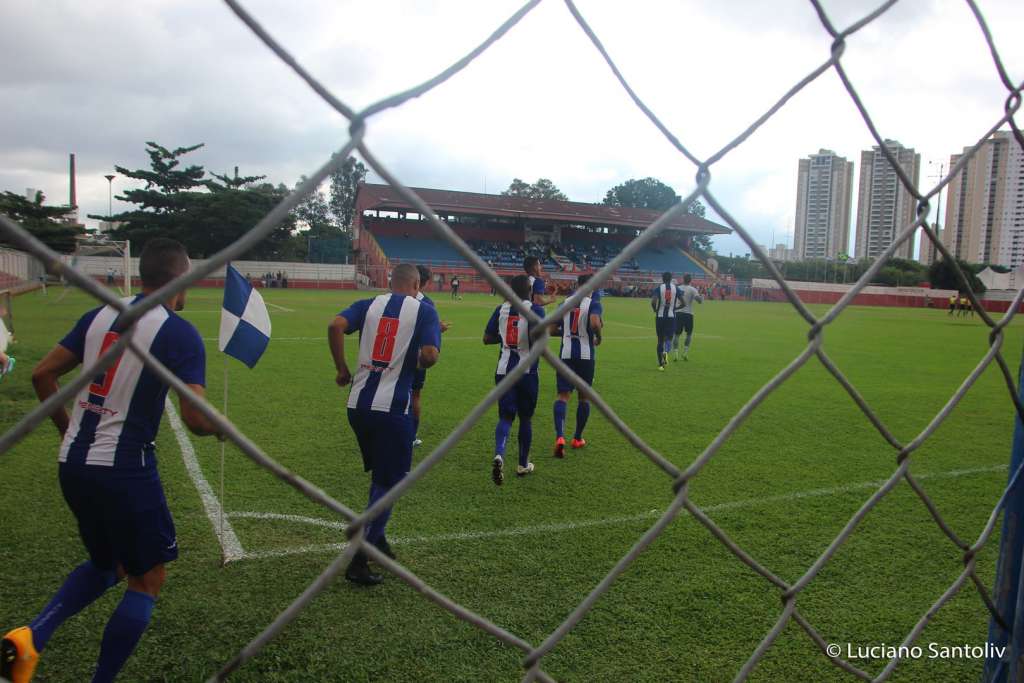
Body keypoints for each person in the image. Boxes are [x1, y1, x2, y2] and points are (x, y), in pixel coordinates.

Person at [1, 238, 222, 683]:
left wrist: (68, 429)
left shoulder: (100, 315)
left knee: (111, 564)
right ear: (181, 279)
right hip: (125, 470)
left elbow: (42, 374)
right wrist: (221, 426)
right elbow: (195, 419)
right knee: (148, 578)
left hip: (73, 463)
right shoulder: (178, 332)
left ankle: (29, 640)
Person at [328, 263, 441, 586]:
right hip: (392, 409)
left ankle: (377, 539)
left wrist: (341, 369)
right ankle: (359, 560)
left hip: (358, 406)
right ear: (417, 285)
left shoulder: (368, 304)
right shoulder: (424, 310)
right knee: (391, 483)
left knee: (382, 476)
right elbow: (430, 356)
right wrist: (419, 357)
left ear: (392, 282)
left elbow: (335, 326)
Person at [484, 275, 545, 485]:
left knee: (505, 416)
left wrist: (505, 339)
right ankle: (522, 464)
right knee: (525, 418)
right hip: (527, 372)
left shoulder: (501, 309)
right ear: (530, 290)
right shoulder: (536, 310)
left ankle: (499, 453)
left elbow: (487, 338)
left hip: (503, 370)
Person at [552, 274, 603, 458]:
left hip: (566, 354)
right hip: (585, 356)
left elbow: (550, 329)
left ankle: (560, 437)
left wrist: (566, 332)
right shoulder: (593, 303)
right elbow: (595, 323)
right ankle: (577, 438)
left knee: (563, 396)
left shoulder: (564, 303)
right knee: (584, 397)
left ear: (577, 285)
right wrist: (598, 336)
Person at [410, 266, 450, 447]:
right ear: (424, 282)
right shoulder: (426, 303)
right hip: (417, 356)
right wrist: (437, 328)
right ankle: (411, 436)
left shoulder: (394, 298)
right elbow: (428, 334)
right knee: (415, 395)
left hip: (392, 353)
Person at [651, 272, 685, 371]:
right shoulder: (676, 288)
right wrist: (675, 308)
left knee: (660, 340)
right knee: (668, 340)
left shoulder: (659, 288)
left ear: (662, 278)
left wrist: (655, 309)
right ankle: (665, 356)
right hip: (671, 317)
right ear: (671, 279)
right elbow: (684, 303)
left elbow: (653, 301)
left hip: (660, 317)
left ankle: (660, 364)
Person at [672, 273, 704, 361]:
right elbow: (699, 301)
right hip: (688, 314)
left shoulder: (677, 288)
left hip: (678, 313)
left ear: (683, 279)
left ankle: (675, 354)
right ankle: (685, 353)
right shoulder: (692, 289)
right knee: (689, 334)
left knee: (676, 334)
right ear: (690, 280)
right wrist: (702, 297)